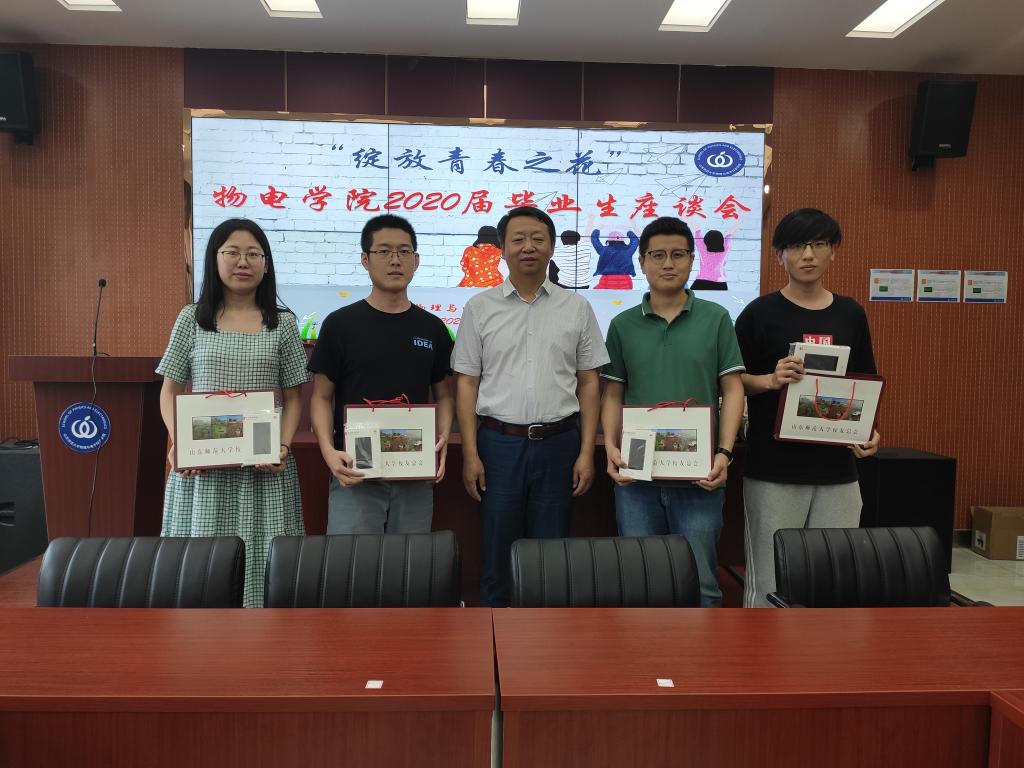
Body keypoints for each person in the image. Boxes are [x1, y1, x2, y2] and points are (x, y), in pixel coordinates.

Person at [454, 207, 609, 607]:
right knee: (497, 545)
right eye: (518, 239)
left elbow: (590, 381)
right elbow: (467, 383)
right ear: (502, 248)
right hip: (498, 444)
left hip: (559, 443)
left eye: (538, 239)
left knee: (551, 550)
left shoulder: (576, 307)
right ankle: (494, 626)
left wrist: (586, 452)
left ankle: (547, 633)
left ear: (552, 247)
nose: (528, 247)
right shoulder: (479, 307)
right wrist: (470, 453)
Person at [158, 218, 309, 608]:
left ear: (266, 264)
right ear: (215, 259)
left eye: (253, 254)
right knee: (199, 571)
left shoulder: (283, 324)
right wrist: (180, 444)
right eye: (232, 252)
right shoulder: (192, 319)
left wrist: (283, 447)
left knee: (267, 568)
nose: (243, 262)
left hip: (264, 469)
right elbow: (169, 391)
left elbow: (294, 398)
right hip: (203, 469)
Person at [734, 208, 880, 608]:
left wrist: (869, 431)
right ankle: (761, 646)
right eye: (797, 246)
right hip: (774, 469)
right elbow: (730, 381)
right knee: (769, 577)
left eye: (818, 244)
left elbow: (865, 381)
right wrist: (771, 379)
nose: (808, 255)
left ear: (833, 251)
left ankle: (823, 649)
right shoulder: (759, 313)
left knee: (835, 574)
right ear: (780, 255)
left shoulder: (851, 313)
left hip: (837, 471)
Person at [601, 216, 745, 607]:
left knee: (702, 585)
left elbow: (732, 389)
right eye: (658, 255)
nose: (668, 264)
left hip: (701, 475)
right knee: (640, 583)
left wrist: (724, 453)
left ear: (692, 260)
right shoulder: (623, 324)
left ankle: (701, 650)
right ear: (642, 262)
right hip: (636, 473)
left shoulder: (716, 318)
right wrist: (611, 447)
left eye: (678, 254)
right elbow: (613, 393)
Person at [309, 214, 454, 535]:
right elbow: (320, 397)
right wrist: (328, 452)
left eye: (404, 251)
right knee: (351, 563)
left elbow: (444, 395)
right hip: (355, 471)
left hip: (414, 471)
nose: (395, 260)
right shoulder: (340, 324)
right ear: (365, 259)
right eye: (384, 251)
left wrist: (442, 437)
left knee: (411, 562)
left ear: (416, 260)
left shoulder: (432, 328)